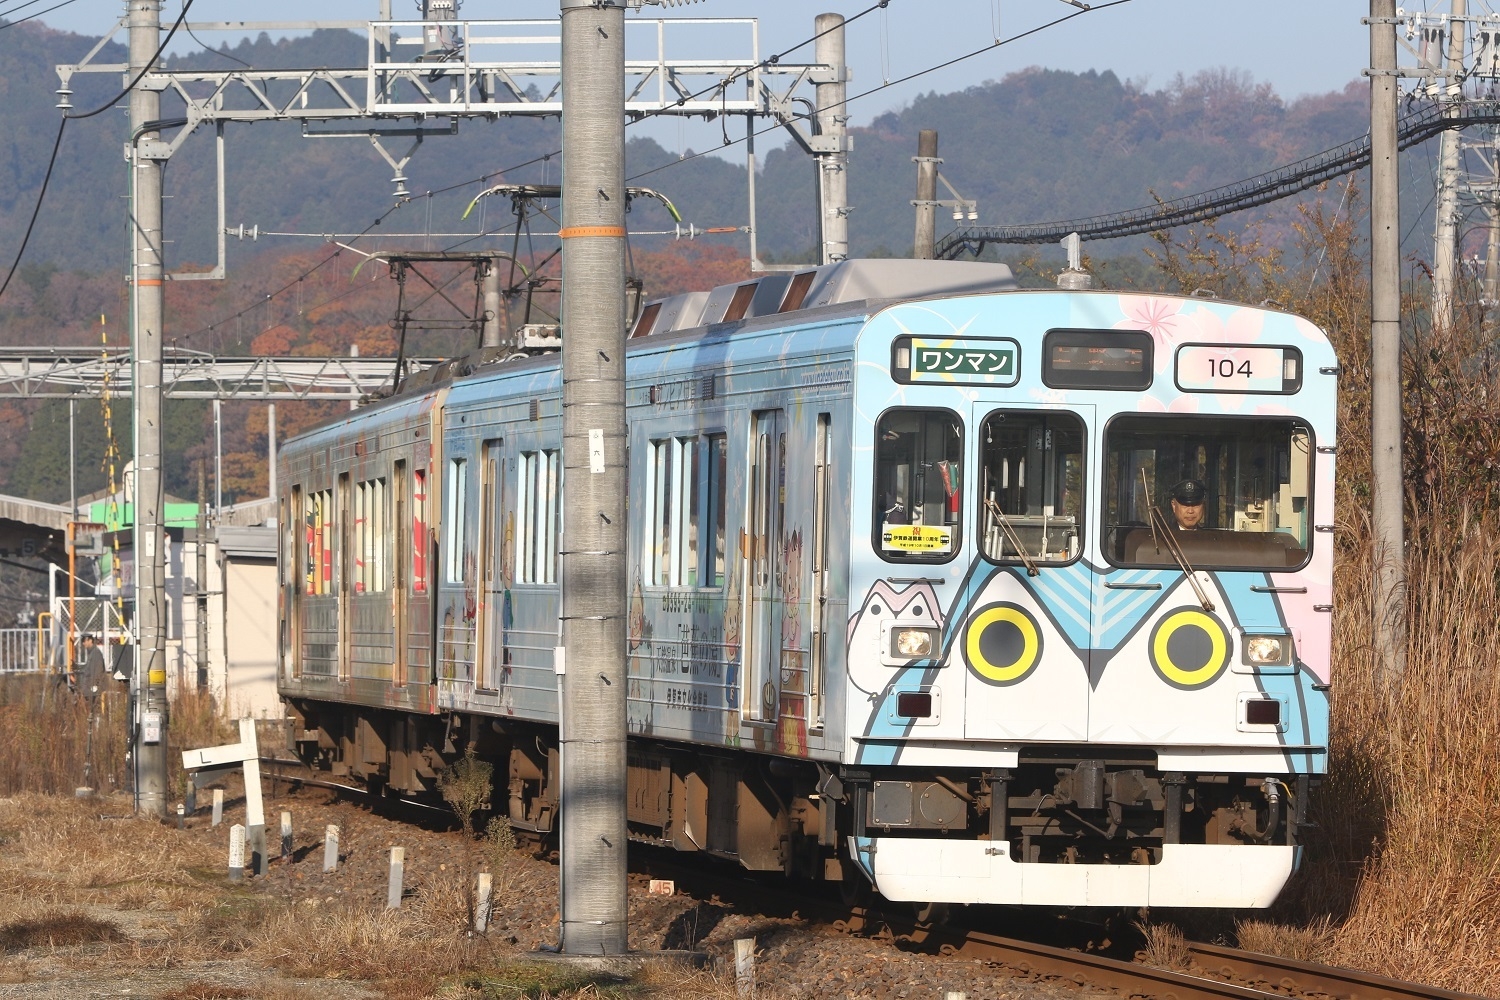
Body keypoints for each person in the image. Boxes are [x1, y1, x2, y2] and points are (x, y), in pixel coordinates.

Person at [69, 633, 107, 704]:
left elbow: (98, 671)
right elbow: (87, 668)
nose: (83, 643)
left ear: (90, 641)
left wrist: (93, 685)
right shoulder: (92, 653)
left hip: (93, 689)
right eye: (82, 641)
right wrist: (77, 667)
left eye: (85, 641)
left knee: (92, 708)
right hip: (89, 688)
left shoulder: (96, 653)